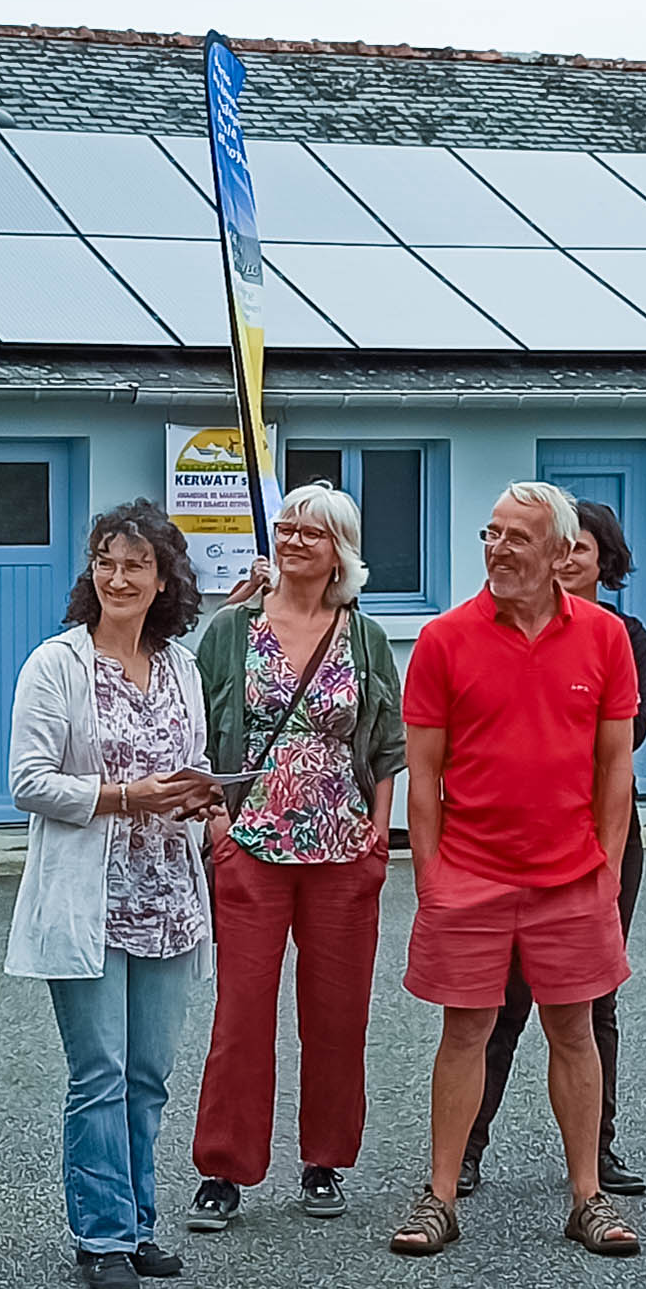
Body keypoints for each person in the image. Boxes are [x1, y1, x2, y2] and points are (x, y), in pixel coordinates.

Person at [390, 481, 644, 1260]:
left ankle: (585, 1197)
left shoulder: (604, 638)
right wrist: (431, 879)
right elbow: (422, 777)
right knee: (464, 1031)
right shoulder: (443, 639)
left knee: (574, 1030)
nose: (498, 550)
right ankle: (439, 1197)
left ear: (560, 551)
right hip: (468, 875)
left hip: (570, 877)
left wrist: (602, 871)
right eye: (490, 534)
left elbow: (614, 769)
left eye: (516, 538)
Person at [11, 500, 225, 1289]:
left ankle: (138, 1223)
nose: (118, 576)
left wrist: (204, 797)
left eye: (136, 563)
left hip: (166, 893)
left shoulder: (180, 665)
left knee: (147, 1074)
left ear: (165, 578)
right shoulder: (55, 664)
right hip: (89, 897)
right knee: (97, 1072)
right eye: (106, 560)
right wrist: (125, 796)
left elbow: (193, 758)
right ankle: (98, 1234)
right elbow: (28, 782)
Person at [186, 483, 403, 1231]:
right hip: (251, 840)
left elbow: (385, 744)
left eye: (310, 533)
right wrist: (216, 822)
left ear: (339, 549)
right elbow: (197, 732)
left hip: (343, 846)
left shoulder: (365, 637)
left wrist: (380, 827)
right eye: (285, 529)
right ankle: (222, 1169)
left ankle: (324, 1161)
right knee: (241, 1014)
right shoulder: (232, 630)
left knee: (337, 1014)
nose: (292, 542)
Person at [461, 496, 646, 1199]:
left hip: (597, 839)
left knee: (588, 999)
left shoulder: (622, 638)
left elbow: (621, 744)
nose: (568, 559)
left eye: (582, 548)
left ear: (603, 559)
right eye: (561, 546)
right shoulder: (482, 632)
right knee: (499, 1000)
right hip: (507, 841)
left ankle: (596, 1152)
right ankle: (467, 1148)